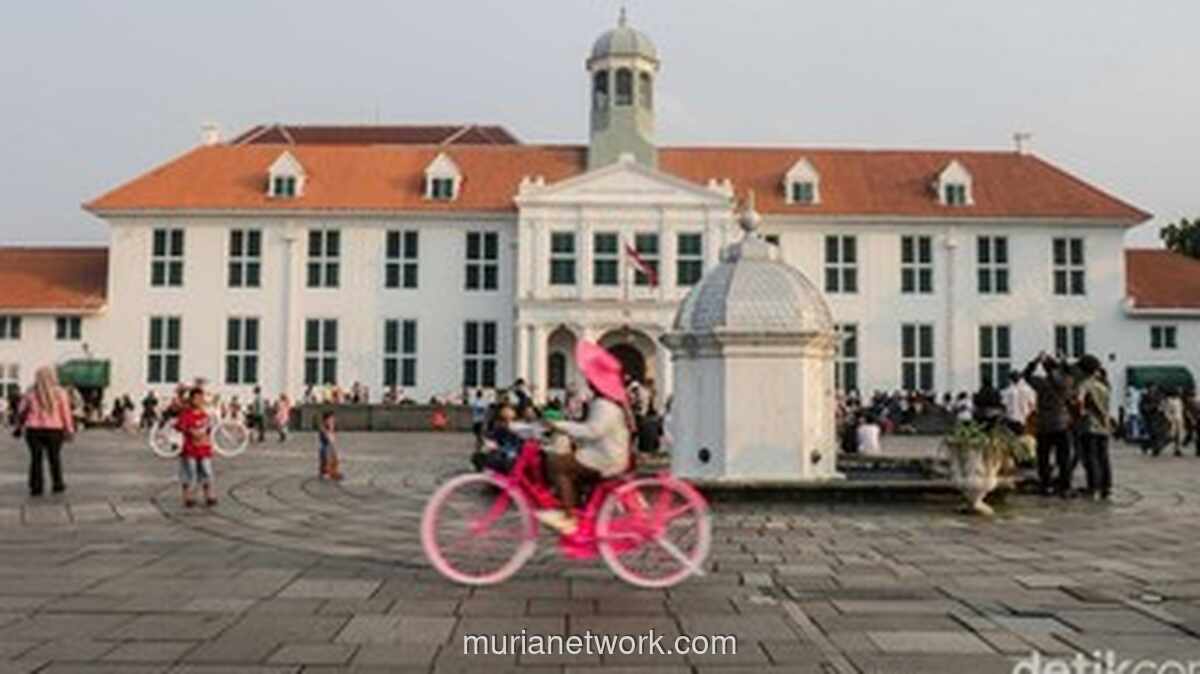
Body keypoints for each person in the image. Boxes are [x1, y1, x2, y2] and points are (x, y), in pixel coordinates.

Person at [541, 341, 634, 534]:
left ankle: (568, 516)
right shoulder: (608, 403)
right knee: (566, 460)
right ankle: (577, 504)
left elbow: (592, 431)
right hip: (603, 453)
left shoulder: (604, 405)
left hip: (604, 458)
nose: (589, 382)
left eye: (592, 380)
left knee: (558, 465)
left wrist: (559, 425)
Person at [16, 367, 75, 496]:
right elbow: (66, 413)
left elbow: (21, 410)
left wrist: (19, 425)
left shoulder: (30, 393)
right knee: (54, 458)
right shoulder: (60, 393)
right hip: (54, 430)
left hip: (34, 430)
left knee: (36, 458)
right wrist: (69, 429)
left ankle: (36, 486)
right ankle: (57, 484)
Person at [1024, 352, 1076, 497]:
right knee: (1064, 457)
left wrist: (1035, 361)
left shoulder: (1042, 383)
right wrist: (1063, 362)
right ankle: (1065, 487)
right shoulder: (1067, 381)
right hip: (1062, 424)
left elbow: (1026, 375)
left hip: (1044, 424)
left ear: (1045, 369)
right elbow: (1070, 371)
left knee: (1044, 457)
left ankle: (1046, 485)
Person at [1076, 355, 1113, 500]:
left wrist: (1080, 413)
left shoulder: (1085, 385)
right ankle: (1106, 486)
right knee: (1103, 457)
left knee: (1090, 457)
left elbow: (1079, 403)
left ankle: (1093, 486)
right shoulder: (1104, 385)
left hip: (1089, 424)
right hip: (1104, 425)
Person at [174, 387, 216, 508]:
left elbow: (209, 430)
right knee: (189, 472)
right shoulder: (186, 414)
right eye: (196, 398)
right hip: (190, 450)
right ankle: (188, 496)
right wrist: (190, 431)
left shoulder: (205, 415)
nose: (199, 400)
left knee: (207, 471)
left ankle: (209, 495)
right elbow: (179, 426)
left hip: (204, 449)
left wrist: (207, 439)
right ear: (191, 400)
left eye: (201, 398)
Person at [317, 411, 343, 480]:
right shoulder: (323, 428)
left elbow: (333, 438)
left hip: (331, 446)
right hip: (325, 446)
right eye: (330, 419)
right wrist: (330, 430)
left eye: (332, 419)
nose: (332, 420)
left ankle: (333, 472)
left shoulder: (331, 426)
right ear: (325, 420)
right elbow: (328, 438)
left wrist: (331, 429)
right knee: (326, 460)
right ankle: (325, 473)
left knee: (335, 459)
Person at [1165, 387, 1187, 457]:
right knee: (1172, 436)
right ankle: (1158, 445)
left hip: (1180, 419)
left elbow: (1182, 410)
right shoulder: (1169, 400)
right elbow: (1167, 411)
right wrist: (1170, 419)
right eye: (1177, 392)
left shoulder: (1179, 400)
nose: (1179, 393)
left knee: (1180, 435)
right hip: (1173, 420)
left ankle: (1177, 449)